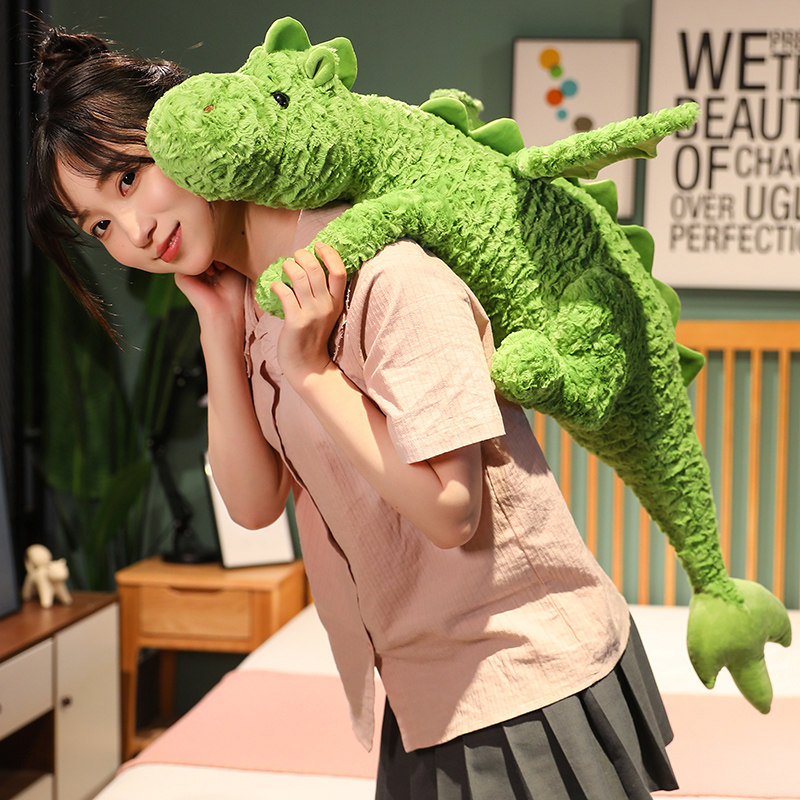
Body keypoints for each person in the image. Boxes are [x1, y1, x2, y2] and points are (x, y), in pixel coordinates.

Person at [27, 28, 679, 800]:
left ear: (189, 123)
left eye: (130, 178)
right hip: (422, 691)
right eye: (101, 225)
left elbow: (452, 509)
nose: (134, 233)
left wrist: (311, 372)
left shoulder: (387, 274)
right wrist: (217, 329)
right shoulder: (261, 303)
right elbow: (252, 504)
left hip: (520, 676)